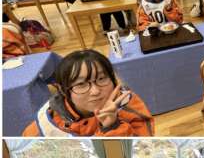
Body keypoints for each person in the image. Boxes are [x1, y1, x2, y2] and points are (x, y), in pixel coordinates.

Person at [23, 49, 154, 137]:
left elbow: (143, 145)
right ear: (63, 90)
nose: (95, 91)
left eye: (101, 78)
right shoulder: (46, 125)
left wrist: (112, 126)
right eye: (81, 84)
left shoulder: (127, 103)